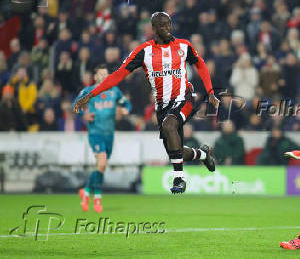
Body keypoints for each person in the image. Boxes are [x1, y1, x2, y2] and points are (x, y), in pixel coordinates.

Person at [73, 12, 220, 194]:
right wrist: (91, 94)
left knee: (169, 125)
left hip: (184, 98)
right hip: (162, 106)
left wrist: (211, 92)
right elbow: (118, 75)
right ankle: (203, 154)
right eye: (163, 25)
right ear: (154, 29)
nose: (168, 28)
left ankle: (180, 178)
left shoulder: (184, 46)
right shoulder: (144, 51)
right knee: (177, 151)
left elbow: (201, 65)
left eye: (169, 24)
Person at [73, 65, 131, 212]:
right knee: (102, 163)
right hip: (95, 133)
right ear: (96, 77)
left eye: (107, 74)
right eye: (102, 74)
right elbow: (76, 105)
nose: (105, 77)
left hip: (109, 134)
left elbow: (127, 103)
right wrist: (84, 115)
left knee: (101, 167)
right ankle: (97, 199)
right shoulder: (89, 91)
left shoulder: (114, 91)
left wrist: (126, 109)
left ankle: (86, 192)